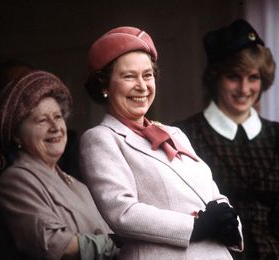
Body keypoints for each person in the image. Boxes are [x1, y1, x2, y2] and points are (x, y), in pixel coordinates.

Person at [80, 26, 243, 259]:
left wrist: (230, 225)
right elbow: (122, 212)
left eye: (147, 75)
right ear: (104, 85)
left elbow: (212, 193)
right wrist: (194, 227)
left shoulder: (174, 134)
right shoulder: (100, 138)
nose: (142, 85)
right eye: (129, 76)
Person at [175, 19, 279, 259]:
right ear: (216, 78)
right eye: (233, 77)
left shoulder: (278, 136)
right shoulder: (186, 134)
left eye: (253, 77)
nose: (244, 88)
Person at [0, 70, 120, 259]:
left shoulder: (77, 184)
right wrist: (115, 245)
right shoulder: (15, 181)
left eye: (58, 117)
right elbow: (52, 244)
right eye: (42, 120)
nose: (55, 127)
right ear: (17, 134)